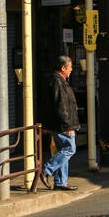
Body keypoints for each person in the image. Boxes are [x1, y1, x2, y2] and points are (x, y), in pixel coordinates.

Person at [39, 55, 79, 191]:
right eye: (70, 67)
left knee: (63, 150)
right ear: (63, 68)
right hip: (62, 124)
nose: (71, 70)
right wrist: (67, 124)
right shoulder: (58, 82)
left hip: (59, 123)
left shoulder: (56, 80)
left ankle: (61, 181)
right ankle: (46, 170)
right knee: (69, 149)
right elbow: (62, 105)